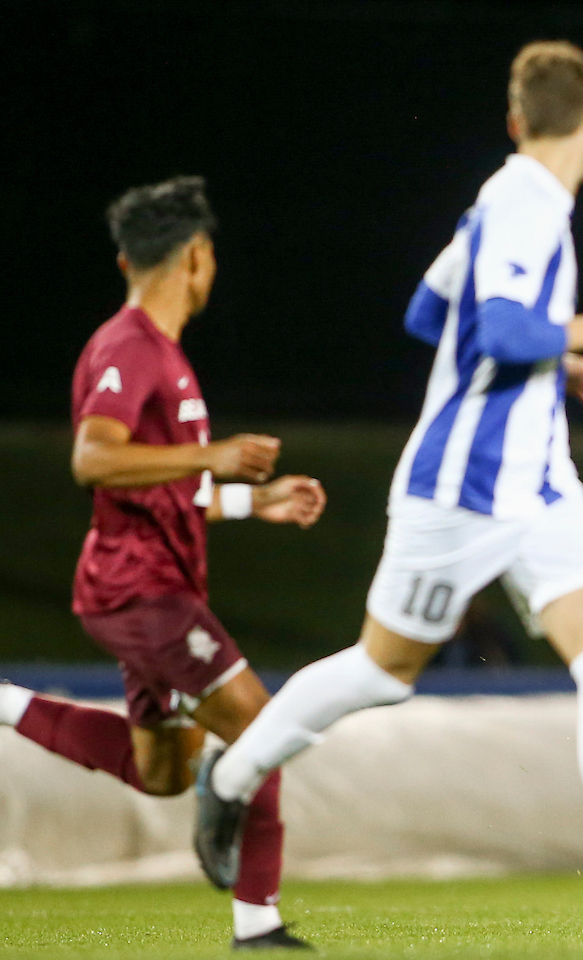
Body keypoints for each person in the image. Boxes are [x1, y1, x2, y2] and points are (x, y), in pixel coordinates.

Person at [193, 41, 583, 946]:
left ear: (517, 119)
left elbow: (430, 314)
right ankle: (230, 780)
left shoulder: (496, 205)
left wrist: (561, 359)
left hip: (542, 486)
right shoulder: (525, 202)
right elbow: (503, 330)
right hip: (460, 490)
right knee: (381, 673)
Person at [0, 177, 326, 950]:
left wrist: (257, 502)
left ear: (125, 260)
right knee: (260, 727)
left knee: (162, 774)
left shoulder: (163, 357)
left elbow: (164, 482)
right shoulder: (127, 349)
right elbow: (94, 459)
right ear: (199, 259)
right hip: (138, 592)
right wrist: (214, 453)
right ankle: (259, 927)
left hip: (151, 589)